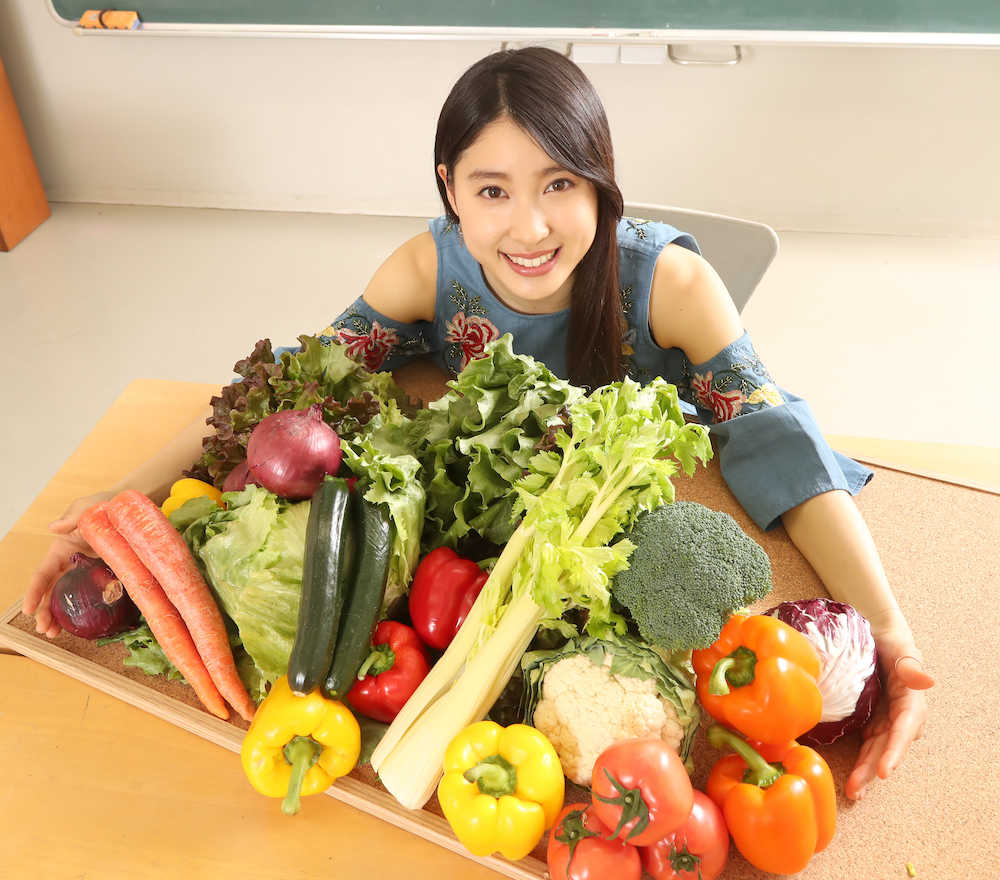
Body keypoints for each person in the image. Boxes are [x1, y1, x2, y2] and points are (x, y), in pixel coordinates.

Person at [23, 47, 932, 801]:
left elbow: (778, 442)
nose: (528, 227)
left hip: (640, 507)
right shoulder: (426, 270)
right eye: (492, 191)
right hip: (503, 539)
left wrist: (889, 633)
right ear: (450, 187)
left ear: (602, 186)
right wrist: (119, 507)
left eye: (560, 184)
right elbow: (285, 400)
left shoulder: (672, 285)